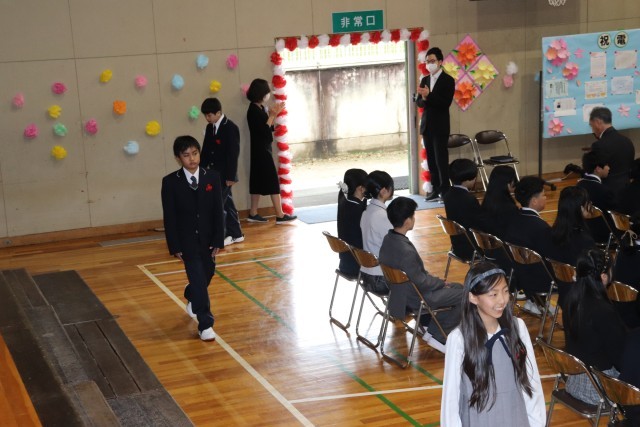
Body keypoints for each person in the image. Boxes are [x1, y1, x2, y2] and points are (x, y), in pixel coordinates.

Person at [441, 262, 545, 427]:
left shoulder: (518, 327)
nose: (502, 300)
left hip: (515, 416)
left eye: (505, 291)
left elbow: (531, 380)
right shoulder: (459, 339)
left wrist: (537, 422)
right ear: (473, 297)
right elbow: (451, 397)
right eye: (493, 294)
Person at [378, 196, 464, 352]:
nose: (414, 219)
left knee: (457, 287)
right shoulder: (406, 251)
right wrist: (441, 283)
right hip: (416, 297)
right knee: (466, 295)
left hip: (400, 294)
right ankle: (438, 335)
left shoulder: (388, 239)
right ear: (407, 221)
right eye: (413, 216)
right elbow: (421, 282)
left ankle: (429, 326)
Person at [161, 136, 224, 342]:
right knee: (197, 278)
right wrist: (174, 245)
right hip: (187, 241)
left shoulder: (212, 177)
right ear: (178, 158)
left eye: (195, 153)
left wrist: (218, 239)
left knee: (207, 274)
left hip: (208, 239)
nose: (192, 159)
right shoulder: (170, 182)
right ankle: (205, 324)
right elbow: (170, 217)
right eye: (186, 155)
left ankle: (191, 295)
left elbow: (218, 210)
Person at [562, 249, 627, 405]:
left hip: (575, 380)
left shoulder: (571, 298)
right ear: (604, 277)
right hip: (598, 388)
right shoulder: (602, 310)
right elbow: (619, 357)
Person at [245, 78, 296, 224]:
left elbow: (268, 129)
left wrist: (273, 114)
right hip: (261, 151)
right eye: (267, 92)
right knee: (272, 181)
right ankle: (280, 215)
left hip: (262, 149)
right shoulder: (253, 110)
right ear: (261, 93)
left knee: (257, 180)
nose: (268, 94)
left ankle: (253, 213)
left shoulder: (260, 108)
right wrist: (273, 115)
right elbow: (263, 131)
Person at [505, 176, 555, 315]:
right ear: (534, 201)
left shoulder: (514, 218)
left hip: (520, 274)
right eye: (543, 195)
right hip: (540, 278)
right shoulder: (540, 227)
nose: (545, 197)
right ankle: (539, 302)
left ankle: (533, 301)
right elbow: (551, 255)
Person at [200, 97, 244, 246]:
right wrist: (201, 170)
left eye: (209, 115)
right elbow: (206, 151)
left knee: (218, 205)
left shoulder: (230, 127)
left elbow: (233, 154)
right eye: (205, 115)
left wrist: (231, 176)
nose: (207, 118)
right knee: (227, 204)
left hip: (226, 175)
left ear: (218, 113)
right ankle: (237, 234)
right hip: (214, 174)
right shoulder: (209, 128)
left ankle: (223, 235)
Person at [416, 47, 455, 201]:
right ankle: (435, 188)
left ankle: (445, 190)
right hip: (427, 125)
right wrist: (424, 98)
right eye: (427, 61)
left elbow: (445, 103)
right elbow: (419, 102)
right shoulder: (425, 79)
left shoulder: (448, 80)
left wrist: (429, 95)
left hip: (440, 126)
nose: (429, 64)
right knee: (431, 160)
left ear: (440, 62)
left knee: (441, 160)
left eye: (432, 61)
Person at [548, 186, 595, 307]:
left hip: (564, 294)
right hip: (582, 298)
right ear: (581, 208)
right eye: (588, 202)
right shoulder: (584, 240)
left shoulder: (554, 232)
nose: (591, 204)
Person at [442, 158, 487, 260]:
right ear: (467, 180)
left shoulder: (448, 195)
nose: (475, 180)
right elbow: (481, 223)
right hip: (472, 248)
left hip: (457, 245)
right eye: (475, 178)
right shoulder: (469, 199)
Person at [359, 171, 394, 295]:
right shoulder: (381, 216)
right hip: (381, 279)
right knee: (418, 283)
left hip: (366, 276)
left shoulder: (366, 212)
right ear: (384, 191)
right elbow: (395, 247)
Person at [588, 106, 635, 198]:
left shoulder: (599, 145)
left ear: (597, 122)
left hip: (607, 193)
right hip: (628, 190)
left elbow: (594, 172)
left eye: (591, 125)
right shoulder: (627, 141)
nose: (592, 129)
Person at [577, 150, 616, 244]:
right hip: (604, 235)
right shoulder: (604, 190)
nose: (609, 168)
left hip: (585, 233)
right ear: (598, 168)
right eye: (607, 165)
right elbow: (615, 215)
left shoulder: (579, 186)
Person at [336, 168, 368, 278]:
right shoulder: (356, 209)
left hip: (346, 262)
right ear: (360, 188)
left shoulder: (343, 198)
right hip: (358, 265)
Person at [481, 166, 519, 240]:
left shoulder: (489, 198)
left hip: (491, 241)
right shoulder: (508, 206)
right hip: (504, 243)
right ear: (509, 183)